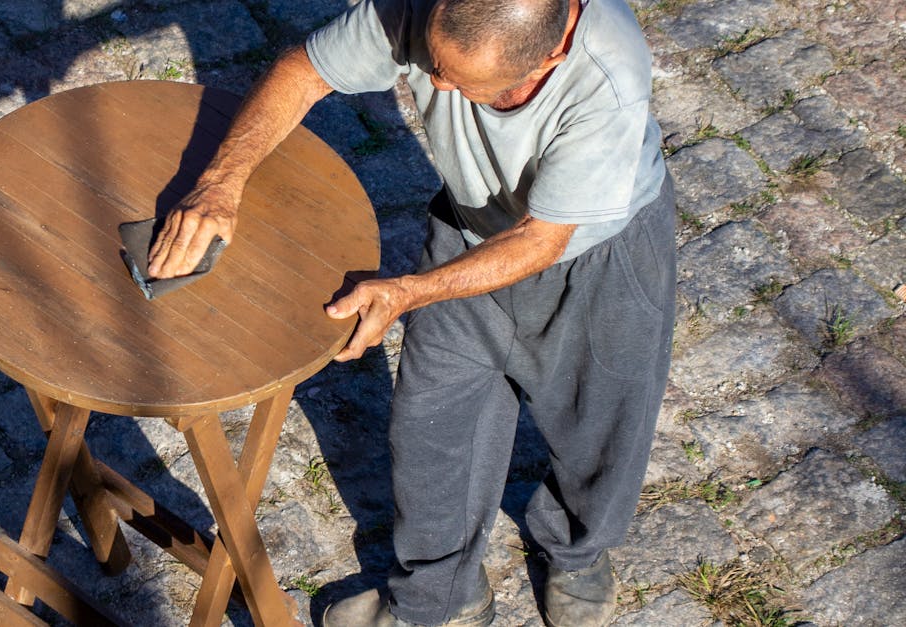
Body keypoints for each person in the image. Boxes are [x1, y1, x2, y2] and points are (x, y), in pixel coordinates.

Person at [147, 0, 675, 624]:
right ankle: (441, 599)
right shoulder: (428, 10)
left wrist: (405, 293)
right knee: (432, 425)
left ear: (551, 54)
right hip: (468, 228)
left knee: (597, 426)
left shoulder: (605, 77)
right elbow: (305, 69)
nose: (436, 86)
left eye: (463, 84)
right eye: (435, 65)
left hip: (595, 259)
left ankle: (578, 551)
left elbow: (540, 240)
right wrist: (221, 181)